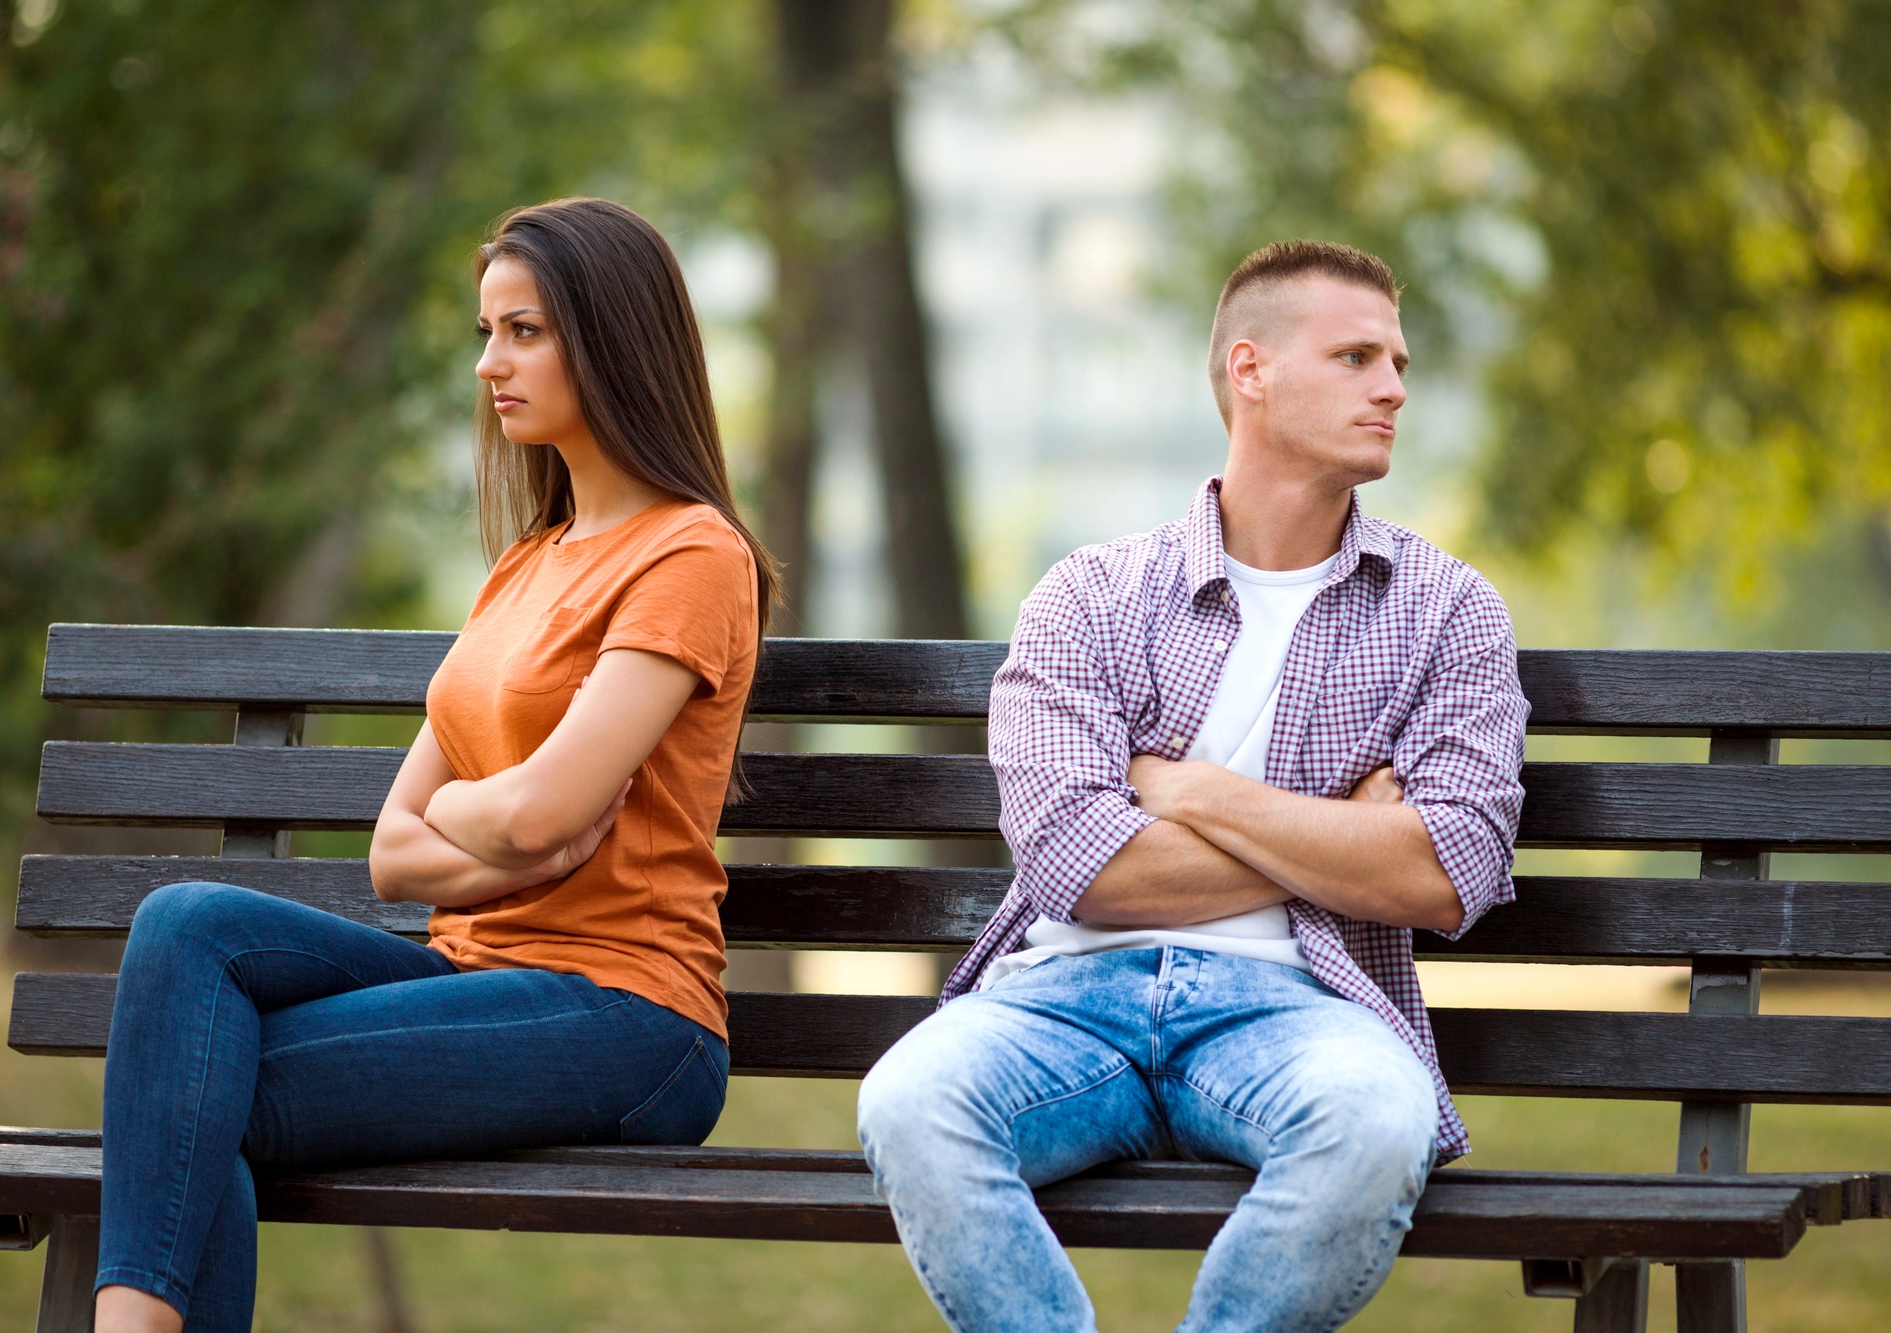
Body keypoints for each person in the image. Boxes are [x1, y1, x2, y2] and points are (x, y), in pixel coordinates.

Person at [93, 198, 775, 1333]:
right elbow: (393, 855)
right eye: (484, 333)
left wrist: (506, 820)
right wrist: (509, 824)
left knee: (192, 1099)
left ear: (609, 339)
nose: (488, 366)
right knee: (185, 924)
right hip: (475, 980)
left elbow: (544, 812)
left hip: (630, 1016)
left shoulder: (691, 554)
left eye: (523, 332)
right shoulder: (521, 569)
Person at [857, 240, 1530, 1333]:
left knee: (1372, 1124)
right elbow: (1076, 865)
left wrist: (1186, 791)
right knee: (911, 1102)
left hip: (1298, 1012)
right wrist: (1340, 840)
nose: (1394, 386)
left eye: (1396, 360)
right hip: (1061, 1002)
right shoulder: (1088, 597)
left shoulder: (1445, 612)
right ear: (1250, 371)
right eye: (1356, 355)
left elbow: (1446, 869)